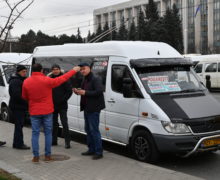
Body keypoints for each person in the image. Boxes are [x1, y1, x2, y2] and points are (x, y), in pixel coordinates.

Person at [22, 63, 80, 163]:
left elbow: (24, 97)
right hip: (47, 111)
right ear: (41, 71)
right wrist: (74, 70)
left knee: (35, 133)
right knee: (48, 133)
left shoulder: (26, 82)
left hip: (34, 111)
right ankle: (48, 156)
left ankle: (35, 157)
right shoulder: (47, 80)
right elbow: (62, 78)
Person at [73, 62, 105, 160]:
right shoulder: (85, 79)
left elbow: (99, 91)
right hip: (87, 108)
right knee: (88, 129)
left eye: (84, 69)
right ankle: (91, 149)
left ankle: (99, 152)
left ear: (89, 68)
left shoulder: (95, 78)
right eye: (81, 69)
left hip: (94, 108)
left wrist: (85, 92)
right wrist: (78, 92)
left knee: (94, 130)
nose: (82, 71)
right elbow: (84, 91)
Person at [49, 64, 72, 149]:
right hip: (52, 105)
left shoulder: (64, 78)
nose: (55, 71)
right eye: (54, 69)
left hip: (62, 105)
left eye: (57, 69)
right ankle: (54, 140)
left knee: (64, 123)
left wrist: (63, 100)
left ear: (59, 70)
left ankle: (67, 142)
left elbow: (69, 91)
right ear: (52, 70)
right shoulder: (49, 78)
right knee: (54, 124)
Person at [9, 65, 30, 150]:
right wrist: (27, 103)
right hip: (17, 107)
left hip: (19, 106)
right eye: (23, 71)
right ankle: (19, 144)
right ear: (18, 72)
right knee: (19, 126)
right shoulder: (16, 81)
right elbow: (16, 95)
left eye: (25, 71)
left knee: (19, 125)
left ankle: (16, 143)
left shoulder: (20, 80)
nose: (25, 73)